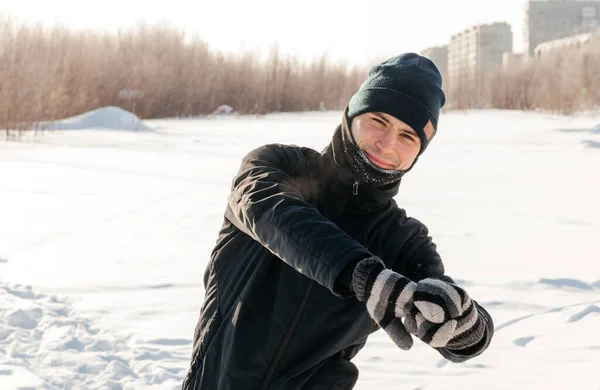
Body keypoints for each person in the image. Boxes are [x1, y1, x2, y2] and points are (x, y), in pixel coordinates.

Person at [182, 53, 494, 390]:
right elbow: (275, 215)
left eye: (408, 137)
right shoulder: (276, 167)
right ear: (352, 114)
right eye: (378, 120)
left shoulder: (403, 240)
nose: (387, 144)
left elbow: (451, 319)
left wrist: (465, 326)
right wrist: (362, 275)